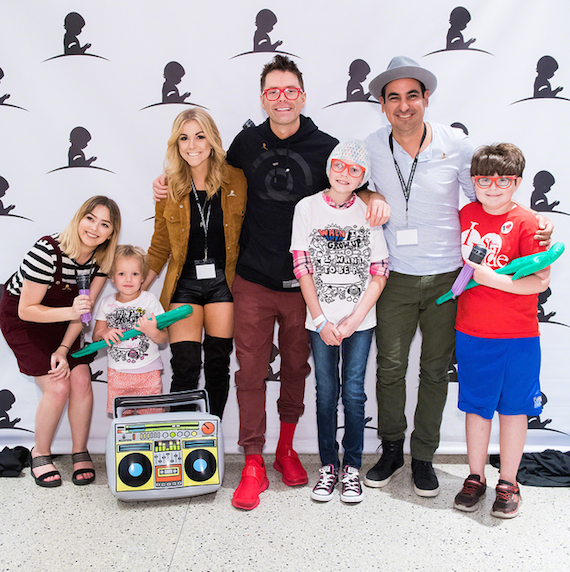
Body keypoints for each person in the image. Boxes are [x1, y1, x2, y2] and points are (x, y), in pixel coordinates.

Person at [153, 55, 340, 510]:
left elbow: (354, 183)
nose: (281, 98)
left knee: (296, 368)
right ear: (262, 98)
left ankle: (287, 450)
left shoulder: (327, 146)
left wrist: (374, 199)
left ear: (302, 95)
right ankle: (252, 461)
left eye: (290, 90)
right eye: (273, 91)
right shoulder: (245, 143)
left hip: (304, 282)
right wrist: (165, 183)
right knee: (250, 372)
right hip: (251, 281)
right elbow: (203, 169)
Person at [361, 56, 552, 497]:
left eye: (413, 95)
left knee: (433, 370)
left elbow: (489, 198)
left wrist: (538, 221)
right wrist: (370, 191)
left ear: (426, 99)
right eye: (394, 98)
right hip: (394, 276)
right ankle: (391, 449)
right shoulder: (370, 146)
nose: (404, 105)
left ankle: (424, 457)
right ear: (383, 105)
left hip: (451, 279)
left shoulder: (457, 145)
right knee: (390, 368)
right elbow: (349, 184)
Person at [452, 143, 550, 518]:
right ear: (474, 181)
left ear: (517, 182)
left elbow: (538, 281)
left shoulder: (528, 222)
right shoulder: (466, 214)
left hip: (518, 336)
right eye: (484, 180)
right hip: (473, 332)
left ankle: (508, 481)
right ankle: (475, 476)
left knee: (513, 409)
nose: (493, 187)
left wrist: (491, 279)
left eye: (503, 180)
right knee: (477, 408)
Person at [290, 140, 389, 503]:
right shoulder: (307, 208)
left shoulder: (368, 210)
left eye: (355, 170)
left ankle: (352, 469)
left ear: (363, 177)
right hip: (321, 322)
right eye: (339, 165)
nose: (345, 174)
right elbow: (302, 267)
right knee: (326, 393)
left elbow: (379, 270)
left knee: (354, 393)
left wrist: (355, 318)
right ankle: (328, 467)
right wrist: (320, 319)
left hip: (359, 322)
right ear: (329, 166)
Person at [0, 195, 121, 487]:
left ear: (111, 233)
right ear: (79, 218)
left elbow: (83, 309)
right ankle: (40, 452)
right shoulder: (47, 251)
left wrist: (64, 348)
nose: (94, 228)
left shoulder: (102, 259)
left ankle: (80, 450)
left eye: (104, 224)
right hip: (25, 319)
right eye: (90, 218)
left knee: (80, 380)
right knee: (57, 386)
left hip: (66, 323)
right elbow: (26, 309)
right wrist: (72, 312)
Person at [145, 108, 247, 420]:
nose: (192, 145)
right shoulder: (170, 187)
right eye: (184, 138)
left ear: (212, 140)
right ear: (176, 144)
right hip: (184, 283)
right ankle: (181, 440)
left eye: (200, 136)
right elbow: (160, 244)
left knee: (218, 364)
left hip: (222, 283)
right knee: (185, 367)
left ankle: (210, 434)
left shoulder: (237, 180)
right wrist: (137, 292)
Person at [93, 245, 167, 415]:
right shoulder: (106, 303)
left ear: (143, 277)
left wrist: (151, 330)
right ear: (112, 276)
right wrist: (105, 333)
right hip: (118, 373)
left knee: (151, 420)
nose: (128, 279)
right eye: (121, 274)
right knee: (123, 422)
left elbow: (163, 338)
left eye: (135, 274)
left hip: (148, 371)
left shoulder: (150, 300)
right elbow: (96, 336)